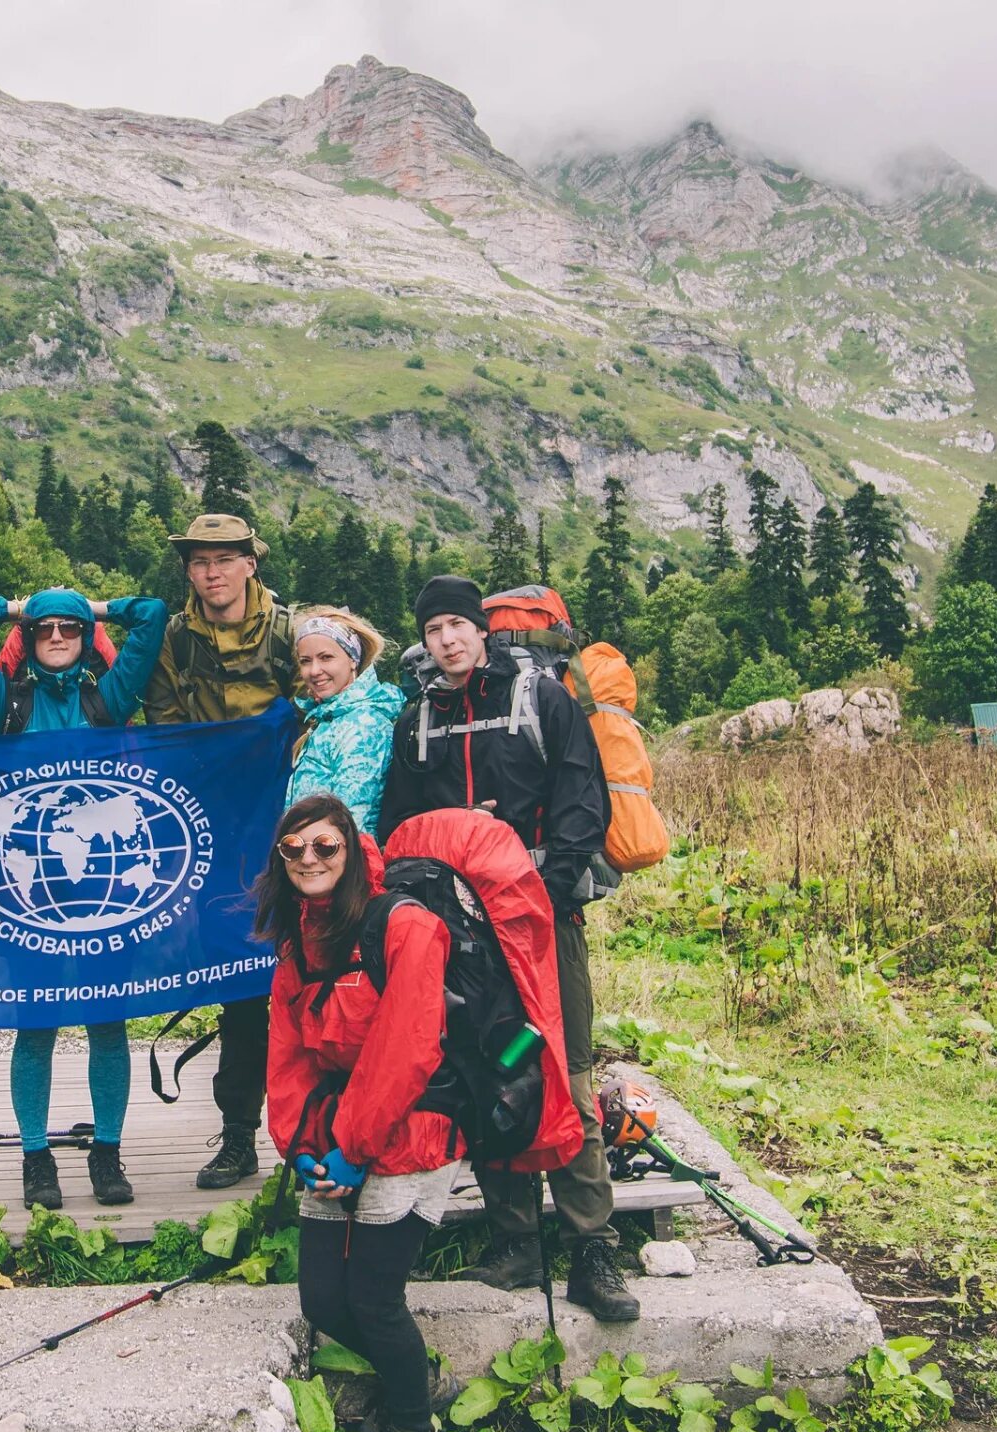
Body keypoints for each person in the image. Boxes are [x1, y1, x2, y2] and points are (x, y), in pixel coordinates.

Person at [379, 575, 637, 1322]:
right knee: (487, 1068)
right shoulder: (417, 719)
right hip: (461, 932)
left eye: (458, 625)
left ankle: (593, 1246)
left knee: (568, 1067)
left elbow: (585, 803)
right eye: (434, 631)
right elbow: (401, 827)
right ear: (424, 641)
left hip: (541, 917)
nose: (448, 640)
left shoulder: (542, 699)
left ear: (481, 631)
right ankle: (517, 1240)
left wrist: (542, 896)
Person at [257, 794, 463, 1432]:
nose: (309, 860)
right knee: (323, 1298)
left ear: (350, 848)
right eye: (294, 850)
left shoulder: (406, 928)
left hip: (411, 1130)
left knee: (373, 1300)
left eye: (323, 846)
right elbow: (287, 1060)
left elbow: (403, 1052)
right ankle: (419, 1382)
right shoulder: (299, 943)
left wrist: (354, 1150)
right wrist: (303, 1150)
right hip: (338, 1135)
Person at [0, 586, 170, 1210]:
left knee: (107, 1018)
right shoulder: (6, 701)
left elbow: (150, 613)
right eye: (45, 629)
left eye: (67, 629)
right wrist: (20, 609)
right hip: (30, 892)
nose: (56, 637)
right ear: (29, 638)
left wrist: (91, 609)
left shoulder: (108, 697)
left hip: (104, 884)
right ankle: (35, 1156)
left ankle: (107, 1151)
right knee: (36, 1023)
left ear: (83, 636)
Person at [143, 512, 303, 1190]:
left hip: (293, 825)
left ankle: (323, 1131)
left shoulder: (292, 632)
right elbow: (164, 723)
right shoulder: (176, 640)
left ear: (249, 564)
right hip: (218, 830)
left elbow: (322, 696)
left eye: (223, 559)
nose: (210, 572)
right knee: (241, 987)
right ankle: (239, 1134)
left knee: (317, 978)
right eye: (199, 561)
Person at [282, 607, 405, 839]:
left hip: (337, 865)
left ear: (352, 660)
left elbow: (349, 819)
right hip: (311, 858)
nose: (314, 671)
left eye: (326, 657)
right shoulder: (327, 718)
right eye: (305, 661)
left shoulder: (363, 724)